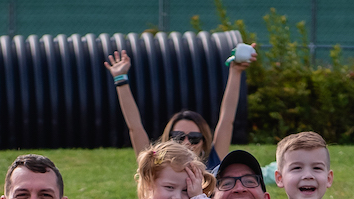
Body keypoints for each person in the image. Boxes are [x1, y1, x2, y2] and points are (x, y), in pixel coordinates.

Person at [103, 43, 251, 168]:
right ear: (168, 138)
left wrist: (235, 72)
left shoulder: (214, 161)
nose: (186, 143)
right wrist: (120, 79)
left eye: (194, 137)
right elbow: (135, 127)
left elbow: (227, 120)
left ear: (204, 140)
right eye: (178, 137)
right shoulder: (156, 165)